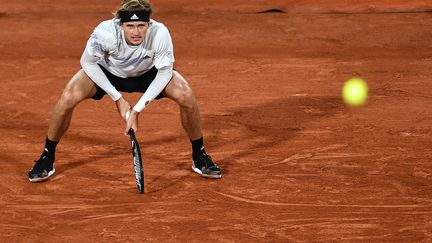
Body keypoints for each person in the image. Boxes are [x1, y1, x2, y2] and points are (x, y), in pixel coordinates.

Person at [28, 0, 221, 182]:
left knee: (186, 95)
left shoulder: (160, 33)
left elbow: (164, 73)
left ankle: (199, 154)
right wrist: (117, 98)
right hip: (108, 72)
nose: (136, 32)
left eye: (141, 26)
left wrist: (136, 110)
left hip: (148, 73)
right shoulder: (105, 33)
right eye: (130, 26)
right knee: (69, 97)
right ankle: (47, 156)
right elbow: (87, 63)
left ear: (148, 24)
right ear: (120, 24)